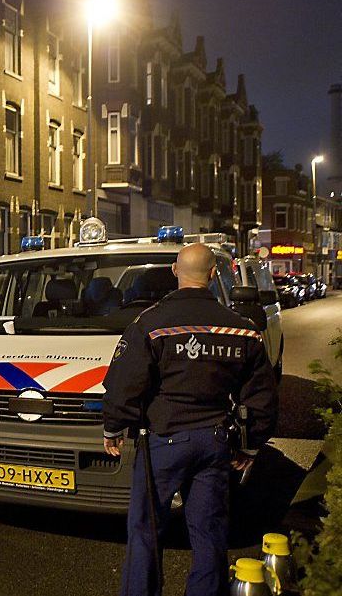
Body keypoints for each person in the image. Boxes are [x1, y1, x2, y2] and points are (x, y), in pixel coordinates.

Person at [102, 243, 278, 596]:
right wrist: (252, 445)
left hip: (164, 442)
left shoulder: (149, 324)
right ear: (214, 275)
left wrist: (113, 427)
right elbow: (262, 395)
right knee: (209, 531)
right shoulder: (241, 330)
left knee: (145, 528)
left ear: (175, 272)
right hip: (214, 441)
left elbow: (125, 383)